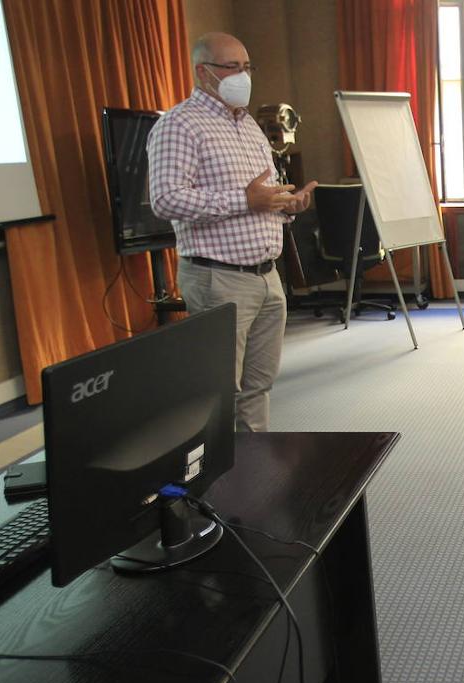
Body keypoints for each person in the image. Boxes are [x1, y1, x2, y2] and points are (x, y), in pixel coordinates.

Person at [148, 32, 317, 432]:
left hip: (267, 276)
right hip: (218, 278)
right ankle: (219, 483)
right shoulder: (180, 125)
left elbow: (263, 194)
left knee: (258, 385)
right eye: (232, 67)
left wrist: (286, 205)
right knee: (219, 390)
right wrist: (245, 201)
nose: (243, 76)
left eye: (247, 67)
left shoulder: (250, 128)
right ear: (202, 72)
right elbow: (166, 200)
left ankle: (253, 471)